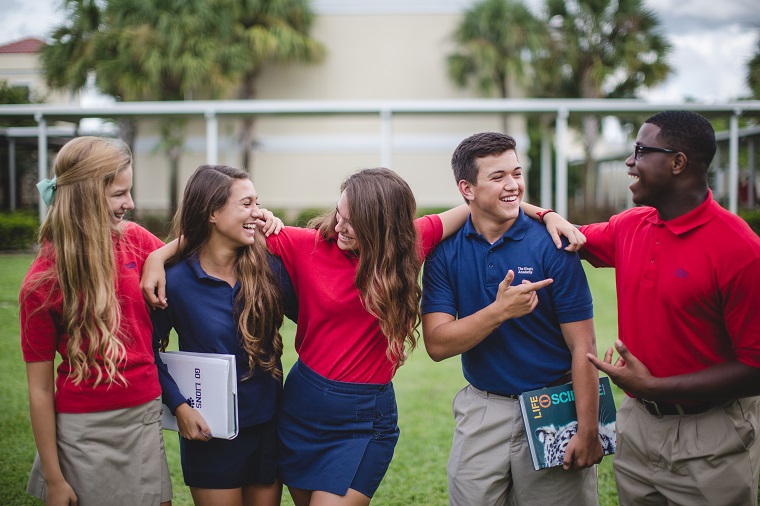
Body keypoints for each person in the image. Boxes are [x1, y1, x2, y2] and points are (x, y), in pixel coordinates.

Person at [143, 167, 582, 506]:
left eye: (352, 220)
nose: (340, 224)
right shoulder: (303, 244)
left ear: (382, 225)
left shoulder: (410, 241)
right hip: (300, 409)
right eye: (339, 212)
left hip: (365, 419)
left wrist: (546, 214)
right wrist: (158, 257)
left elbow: (479, 204)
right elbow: (214, 234)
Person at [525, 110, 760, 505]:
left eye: (640, 151)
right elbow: (566, 236)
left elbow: (755, 368)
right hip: (637, 427)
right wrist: (547, 214)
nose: (629, 162)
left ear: (677, 162)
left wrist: (654, 386)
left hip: (712, 435)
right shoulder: (629, 226)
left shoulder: (741, 250)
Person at [421, 132, 604, 506]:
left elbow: (582, 345)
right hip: (482, 407)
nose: (513, 185)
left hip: (555, 403)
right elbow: (438, 344)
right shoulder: (443, 254)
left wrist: (588, 430)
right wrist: (499, 311)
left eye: (517, 173)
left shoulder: (554, 243)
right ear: (466, 188)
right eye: (498, 176)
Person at [19, 136, 173, 505]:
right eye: (119, 194)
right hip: (82, 432)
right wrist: (55, 481)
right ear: (87, 194)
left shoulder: (135, 240)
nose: (130, 204)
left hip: (144, 415)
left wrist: (160, 256)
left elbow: (194, 246)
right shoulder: (41, 283)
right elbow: (40, 391)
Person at [151, 165, 298, 506]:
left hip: (268, 427)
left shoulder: (270, 268)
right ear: (213, 213)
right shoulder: (174, 281)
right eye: (246, 204)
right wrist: (179, 406)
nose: (258, 212)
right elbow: (146, 351)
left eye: (257, 203)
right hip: (208, 434)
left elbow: (313, 317)